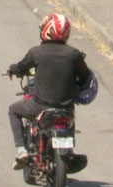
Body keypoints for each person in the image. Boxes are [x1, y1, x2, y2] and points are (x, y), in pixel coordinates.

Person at [7, 13, 92, 170]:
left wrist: (12, 70)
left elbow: (21, 67)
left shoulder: (36, 52)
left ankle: (22, 150)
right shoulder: (74, 54)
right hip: (65, 108)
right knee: (70, 120)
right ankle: (69, 152)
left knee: (13, 110)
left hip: (40, 106)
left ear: (47, 30)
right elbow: (86, 77)